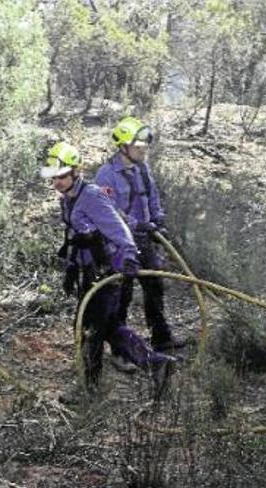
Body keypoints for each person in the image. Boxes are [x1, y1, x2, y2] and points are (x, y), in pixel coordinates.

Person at [42, 141, 174, 397]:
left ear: (74, 172)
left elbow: (119, 230)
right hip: (89, 273)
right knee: (111, 328)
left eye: (61, 176)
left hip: (106, 276)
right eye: (53, 177)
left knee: (90, 330)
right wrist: (72, 267)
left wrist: (127, 257)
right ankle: (156, 364)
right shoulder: (68, 199)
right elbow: (79, 236)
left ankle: (88, 389)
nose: (56, 182)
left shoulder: (91, 196)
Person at [95, 117, 186, 358]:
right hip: (120, 245)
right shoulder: (106, 175)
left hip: (145, 239)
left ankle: (161, 338)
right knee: (121, 295)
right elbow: (109, 212)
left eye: (145, 147)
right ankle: (120, 350)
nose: (143, 151)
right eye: (138, 147)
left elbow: (152, 197)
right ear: (123, 147)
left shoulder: (143, 168)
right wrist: (137, 225)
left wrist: (158, 221)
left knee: (155, 286)